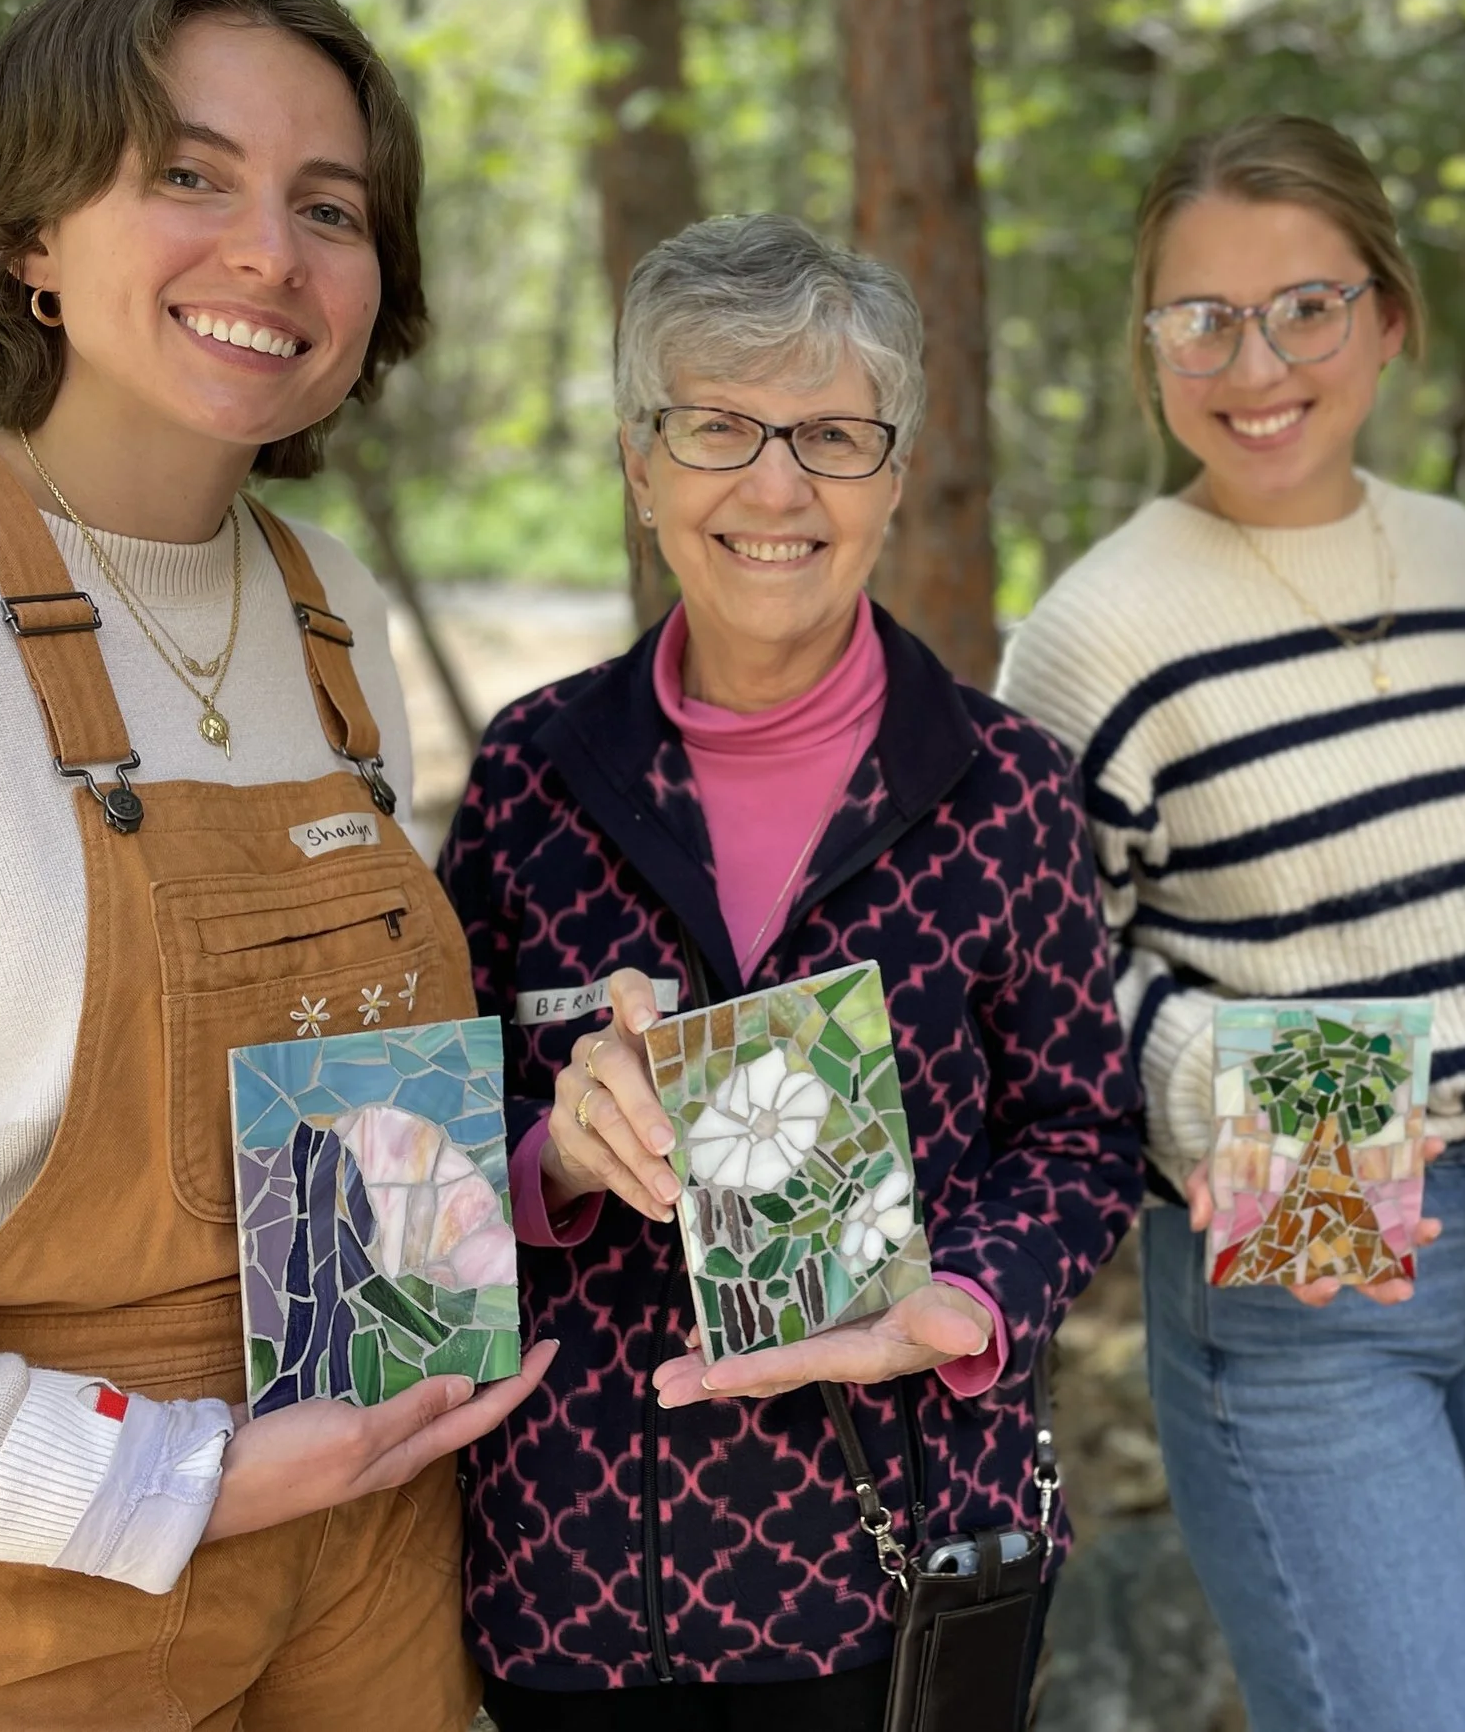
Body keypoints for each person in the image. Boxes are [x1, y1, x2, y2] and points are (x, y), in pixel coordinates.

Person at [0, 0, 551, 1729]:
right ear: (32, 235)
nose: (270, 250)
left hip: (371, 1533)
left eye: (329, 206)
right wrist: (166, 1479)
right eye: (189, 173)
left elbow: (342, 1139)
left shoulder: (329, 608)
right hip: (4, 1592)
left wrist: (535, 1170)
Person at [440, 211, 1143, 1727]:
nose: (776, 486)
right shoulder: (531, 774)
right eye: (716, 427)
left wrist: (973, 1296)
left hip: (906, 1564)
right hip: (579, 1578)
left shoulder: (1006, 786)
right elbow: (419, 1140)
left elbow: (1084, 1133)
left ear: (894, 474)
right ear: (640, 466)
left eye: (831, 435)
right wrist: (555, 1157)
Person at [996, 115, 1465, 1732]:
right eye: (1202, 318)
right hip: (1309, 1249)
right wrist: (1235, 1093)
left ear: (1388, 318)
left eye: (1307, 308)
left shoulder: (1462, 557)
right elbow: (1034, 978)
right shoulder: (1099, 631)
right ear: (1151, 345)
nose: (1254, 364)